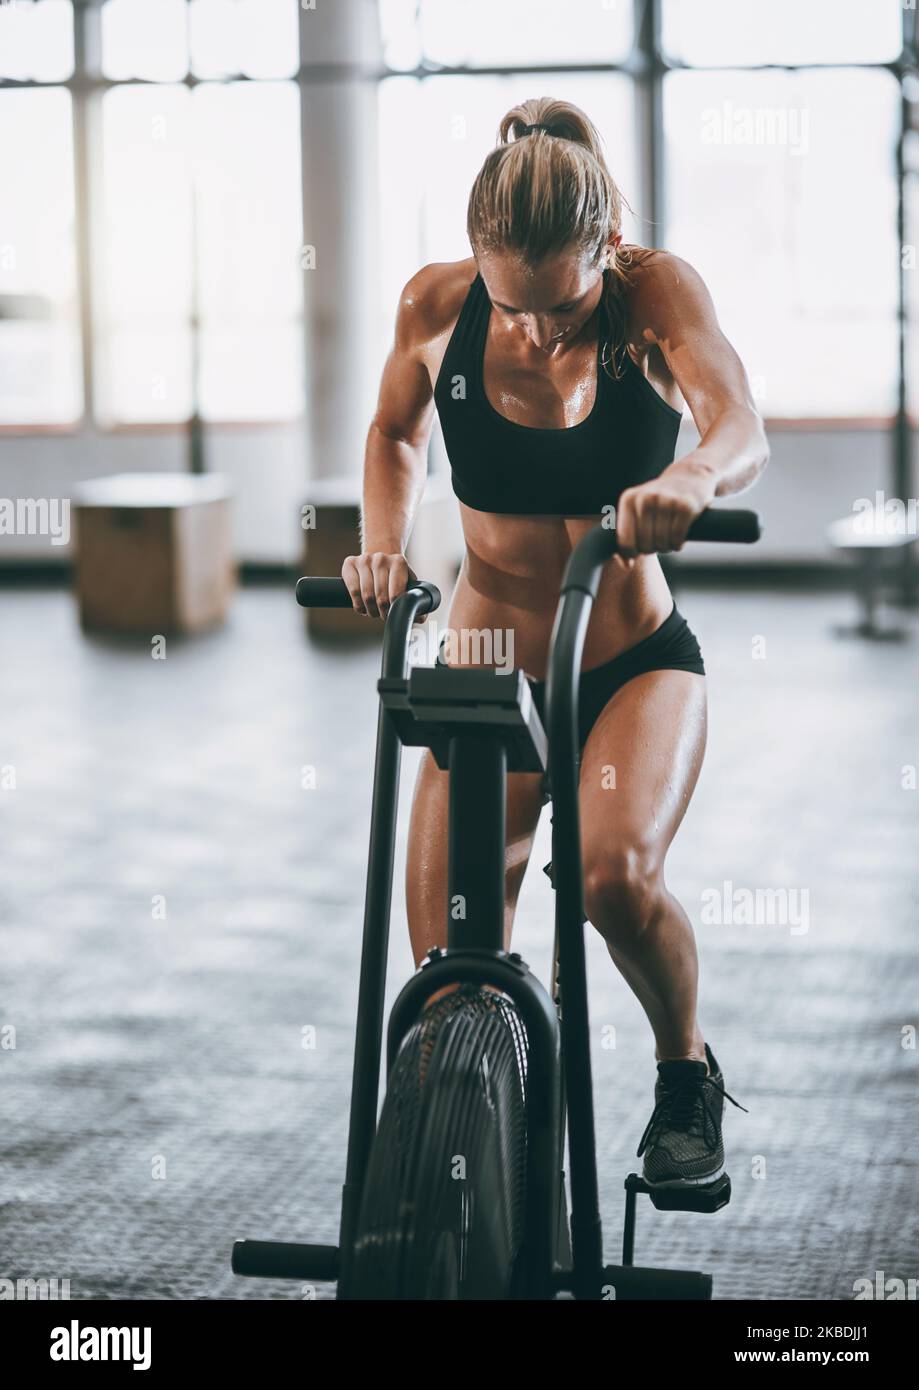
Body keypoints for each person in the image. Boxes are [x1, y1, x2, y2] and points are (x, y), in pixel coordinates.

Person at [343, 97, 767, 1195]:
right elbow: (394, 432)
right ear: (478, 259)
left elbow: (738, 425)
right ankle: (469, 1164)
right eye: (512, 306)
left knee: (611, 879)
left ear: (604, 248)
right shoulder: (436, 308)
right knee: (448, 966)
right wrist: (383, 546)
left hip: (629, 656)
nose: (535, 331)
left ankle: (684, 1077)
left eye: (562, 307)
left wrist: (688, 476)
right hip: (485, 663)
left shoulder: (653, 293)